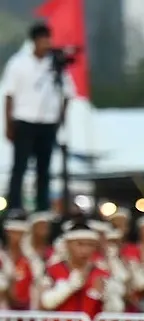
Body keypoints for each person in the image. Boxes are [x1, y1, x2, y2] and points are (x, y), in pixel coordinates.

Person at [1, 22, 72, 212]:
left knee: (44, 170)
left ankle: (42, 208)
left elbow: (67, 93)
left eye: (48, 40)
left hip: (47, 123)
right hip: (24, 121)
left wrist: (60, 119)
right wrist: (8, 124)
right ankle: (15, 206)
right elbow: (9, 95)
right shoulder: (18, 64)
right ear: (34, 42)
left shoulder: (55, 64)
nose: (46, 44)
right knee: (20, 168)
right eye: (42, 40)